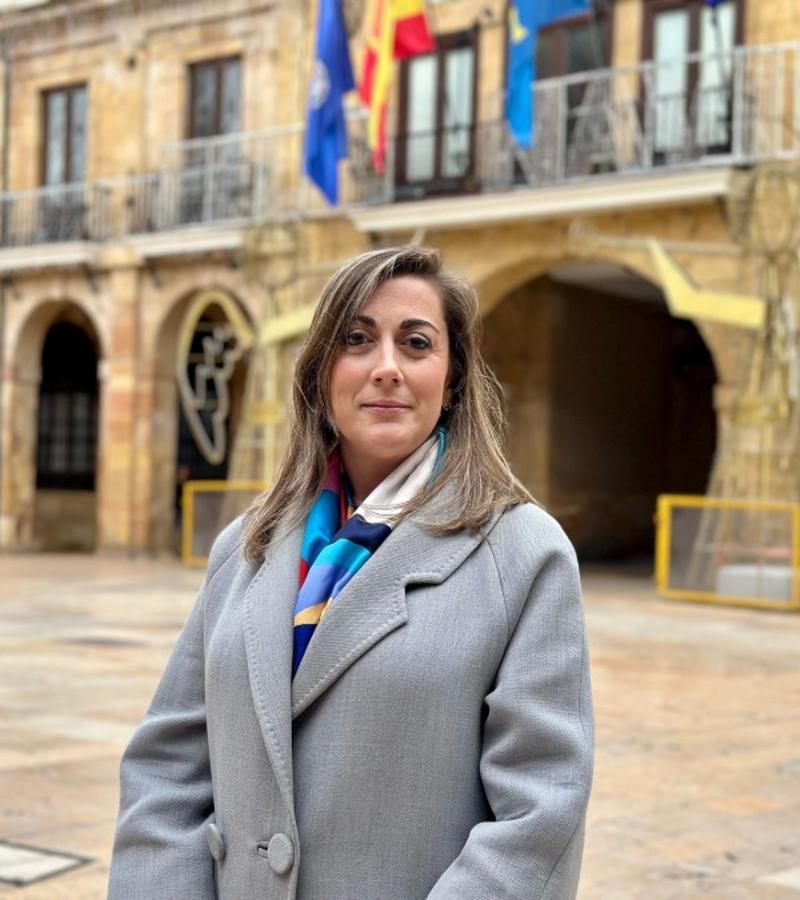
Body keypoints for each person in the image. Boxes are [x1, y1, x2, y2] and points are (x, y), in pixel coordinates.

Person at [108, 246, 594, 899]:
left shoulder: (524, 555)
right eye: (357, 340)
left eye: (416, 344)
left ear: (451, 380)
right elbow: (167, 771)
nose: (386, 367)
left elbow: (540, 814)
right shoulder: (245, 547)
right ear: (320, 373)